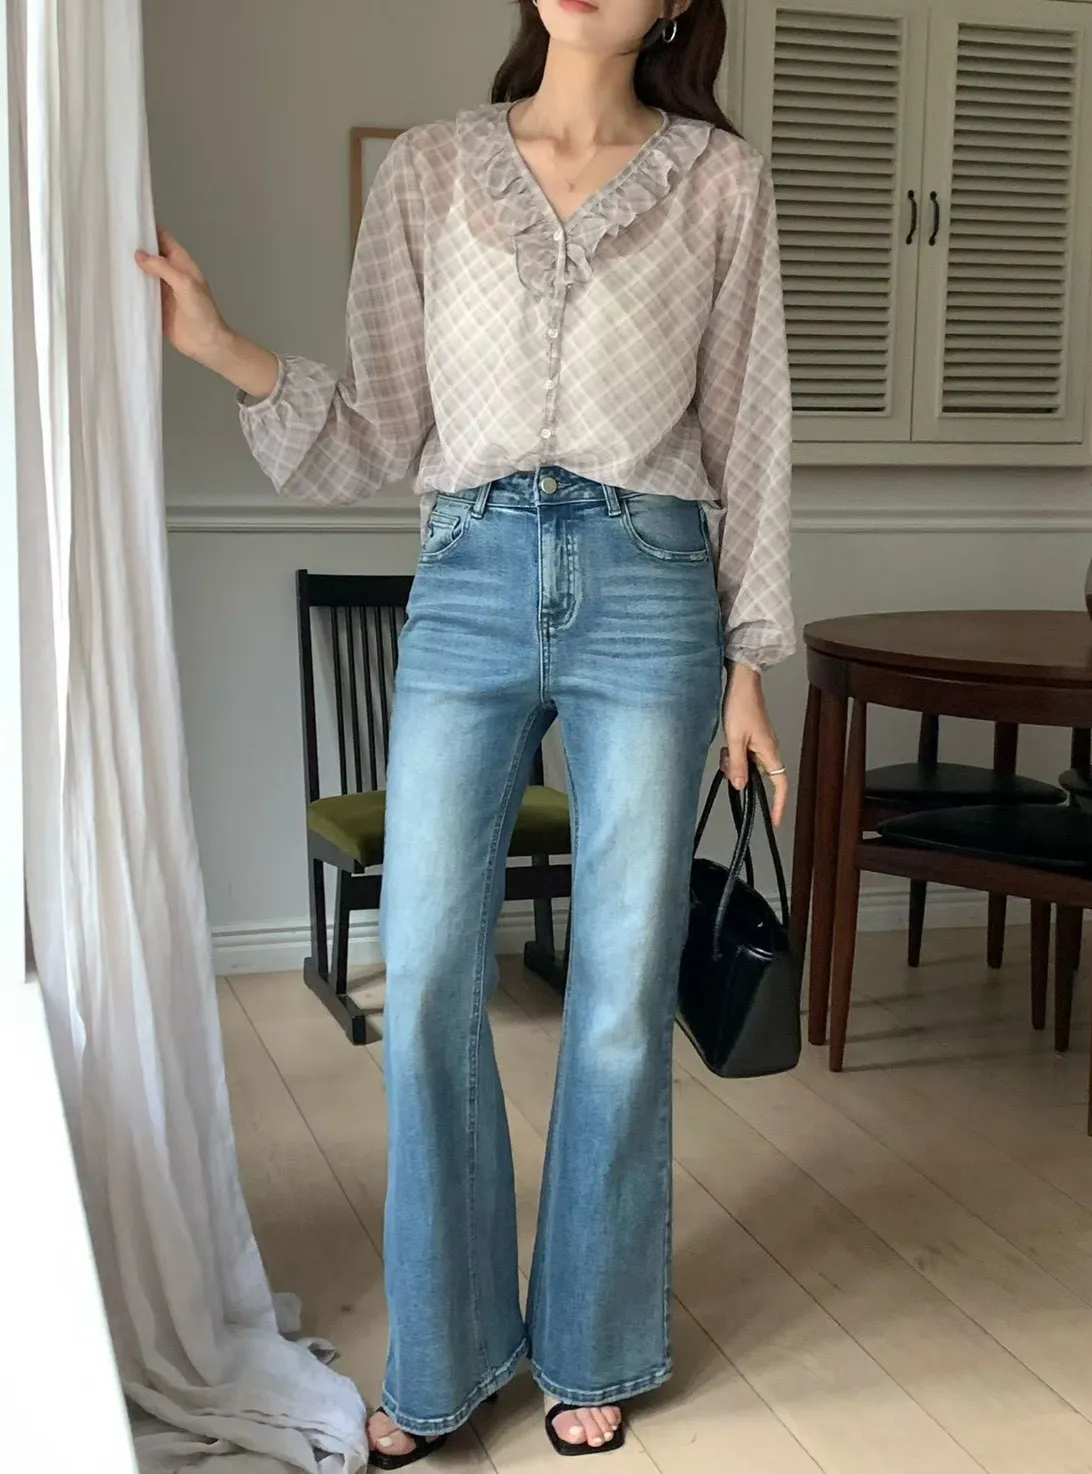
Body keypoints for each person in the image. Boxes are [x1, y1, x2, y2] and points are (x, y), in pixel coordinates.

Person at [138, 0, 793, 1462]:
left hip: (651, 584)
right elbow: (382, 428)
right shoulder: (432, 170)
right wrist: (224, 345)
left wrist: (751, 660)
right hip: (470, 576)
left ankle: (595, 1340)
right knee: (431, 970)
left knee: (618, 992)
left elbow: (749, 427)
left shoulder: (718, 182)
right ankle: (444, 1353)